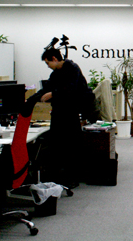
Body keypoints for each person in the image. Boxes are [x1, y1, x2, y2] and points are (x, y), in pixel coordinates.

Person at [29, 48, 94, 188]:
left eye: (48, 63)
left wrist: (53, 94)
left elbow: (70, 90)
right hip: (59, 111)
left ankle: (71, 179)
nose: (48, 66)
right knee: (56, 144)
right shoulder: (55, 74)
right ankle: (58, 177)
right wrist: (30, 100)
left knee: (70, 145)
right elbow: (46, 89)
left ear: (54, 58)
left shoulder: (72, 68)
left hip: (71, 111)